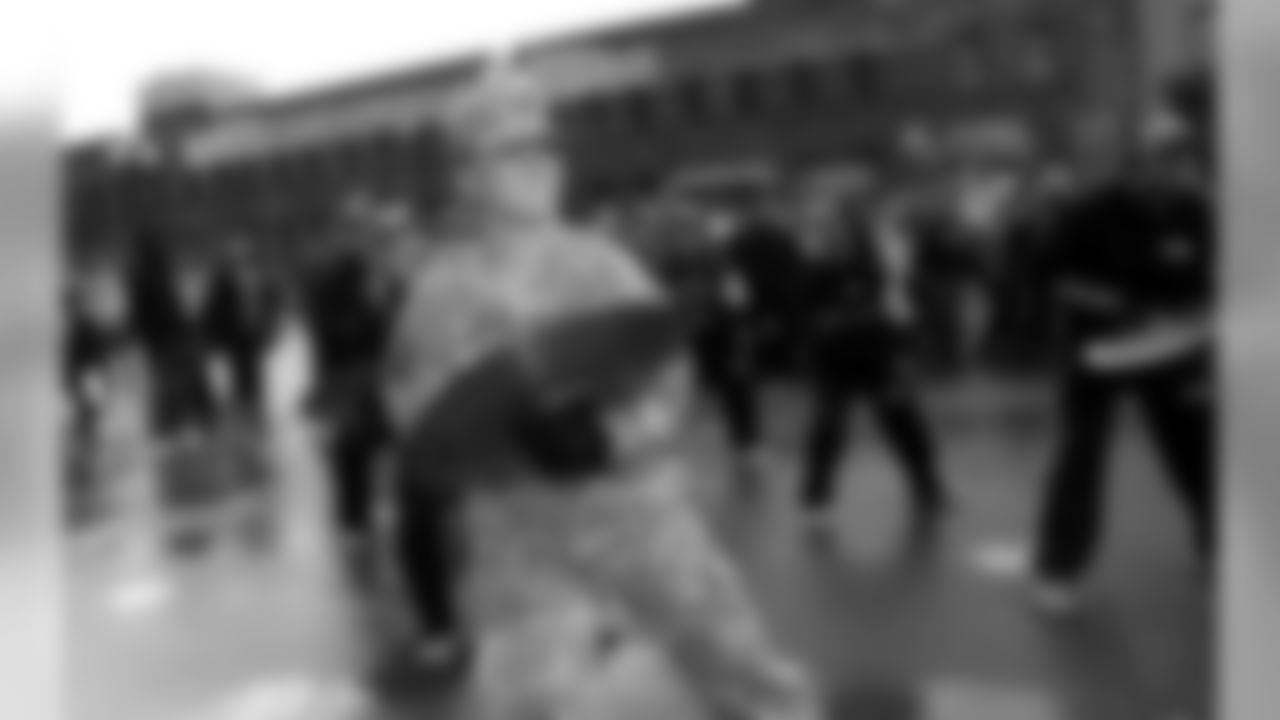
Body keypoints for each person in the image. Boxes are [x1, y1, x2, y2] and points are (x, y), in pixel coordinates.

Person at [381, 60, 823, 720]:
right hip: (519, 530)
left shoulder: (598, 261)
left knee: (739, 664)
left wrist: (613, 434)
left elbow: (667, 369)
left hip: (636, 510)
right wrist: (498, 442)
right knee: (531, 701)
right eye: (514, 151)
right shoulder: (436, 291)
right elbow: (415, 404)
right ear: (468, 174)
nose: (540, 165)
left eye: (545, 148)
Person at [1030, 124, 1215, 612]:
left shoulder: (1194, 212)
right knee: (1081, 456)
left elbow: (1216, 274)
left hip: (1175, 348)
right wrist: (1116, 305)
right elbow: (1051, 276)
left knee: (1198, 451)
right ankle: (1058, 569)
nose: (1172, 172)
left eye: (1180, 162)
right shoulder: (1090, 214)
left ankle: (1217, 546)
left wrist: (1202, 311)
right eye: (1161, 161)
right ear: (1134, 166)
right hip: (1101, 350)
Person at [797, 191, 949, 532]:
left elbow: (898, 312)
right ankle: (816, 497)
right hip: (834, 360)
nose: (833, 237)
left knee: (904, 421)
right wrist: (819, 329)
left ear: (855, 233)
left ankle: (927, 485)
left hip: (877, 356)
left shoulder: (875, 268)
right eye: (828, 231)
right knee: (828, 427)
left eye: (840, 230)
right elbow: (805, 316)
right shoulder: (815, 271)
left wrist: (902, 351)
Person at [204, 241, 278, 421]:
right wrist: (213, 334)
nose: (240, 260)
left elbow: (269, 301)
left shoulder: (257, 277)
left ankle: (252, 408)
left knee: (252, 371)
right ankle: (246, 408)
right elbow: (216, 308)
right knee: (241, 371)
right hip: (235, 333)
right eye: (236, 257)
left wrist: (268, 326)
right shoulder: (223, 280)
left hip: (252, 331)